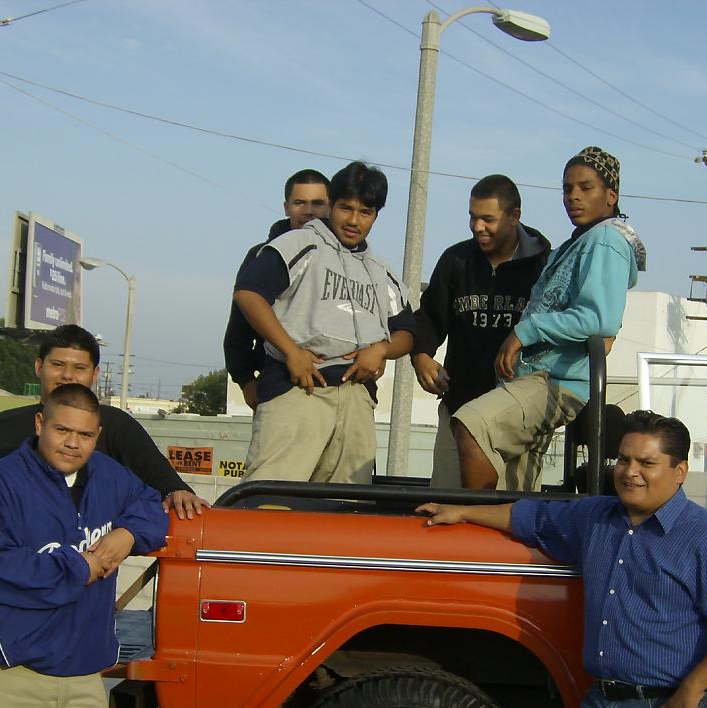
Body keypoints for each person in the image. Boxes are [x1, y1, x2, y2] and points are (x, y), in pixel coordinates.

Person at [418, 410, 707, 708]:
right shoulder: (595, 516)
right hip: (600, 705)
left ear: (679, 471)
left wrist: (692, 689)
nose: (630, 472)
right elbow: (530, 518)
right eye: (624, 459)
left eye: (647, 462)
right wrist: (463, 512)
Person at [0, 383, 170, 708]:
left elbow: (153, 505)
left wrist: (128, 533)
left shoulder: (110, 475)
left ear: (97, 436)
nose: (73, 443)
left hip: (82, 676)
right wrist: (79, 567)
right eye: (62, 430)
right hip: (8, 674)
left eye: (85, 434)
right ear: (40, 424)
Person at [453, 146, 643, 491]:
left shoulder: (606, 240)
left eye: (586, 188)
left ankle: (475, 522)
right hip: (530, 377)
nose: (574, 197)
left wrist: (524, 331)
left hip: (555, 381)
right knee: (513, 488)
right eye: (567, 189)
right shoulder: (576, 243)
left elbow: (598, 320)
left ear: (610, 195)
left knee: (471, 425)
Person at [234, 160, 415, 483]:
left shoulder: (378, 269)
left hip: (356, 396)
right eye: (346, 208)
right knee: (273, 501)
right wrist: (291, 352)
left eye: (365, 212)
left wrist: (382, 350)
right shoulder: (301, 243)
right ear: (331, 205)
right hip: (299, 387)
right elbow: (249, 294)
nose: (354, 220)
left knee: (344, 511)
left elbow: (407, 332)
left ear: (376, 215)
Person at [0, 323, 209, 519]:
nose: (67, 375)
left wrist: (177, 493)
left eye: (79, 367)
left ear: (95, 374)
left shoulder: (117, 426)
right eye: (57, 365)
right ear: (39, 367)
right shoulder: (2, 428)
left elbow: (164, 483)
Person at [411, 174, 551, 489]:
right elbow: (430, 317)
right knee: (446, 512)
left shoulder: (543, 264)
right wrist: (421, 356)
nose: (478, 227)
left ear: (515, 217)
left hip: (519, 417)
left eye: (488, 219)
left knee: (510, 518)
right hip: (459, 410)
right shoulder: (455, 260)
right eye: (473, 217)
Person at [225, 168, 331, 410]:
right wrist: (245, 381)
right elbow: (239, 329)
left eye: (317, 203)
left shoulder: (344, 257)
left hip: (335, 387)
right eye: (299, 202)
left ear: (331, 206)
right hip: (278, 384)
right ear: (286, 207)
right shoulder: (264, 256)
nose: (309, 211)